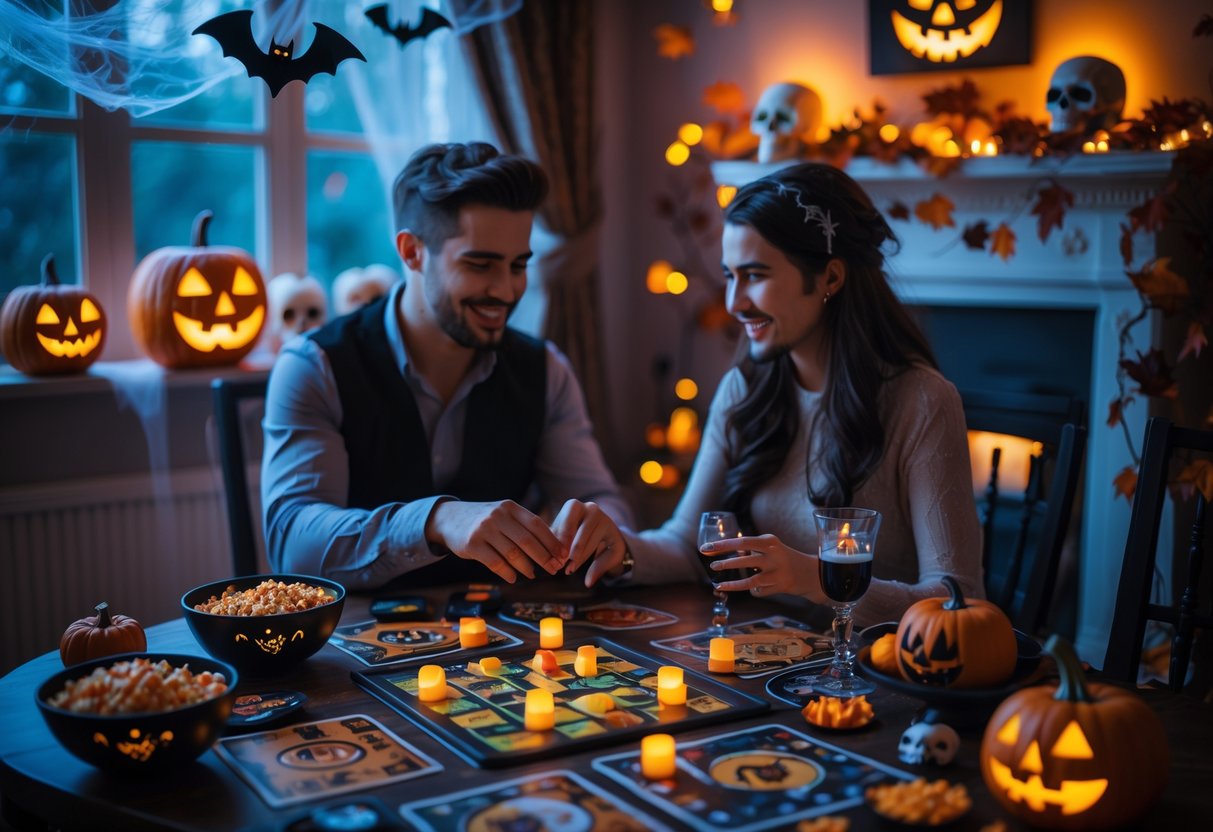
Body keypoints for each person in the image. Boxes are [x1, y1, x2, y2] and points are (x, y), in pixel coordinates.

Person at [605, 162, 983, 626]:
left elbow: (958, 599)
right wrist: (617, 548)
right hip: (765, 661)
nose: (734, 303)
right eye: (730, 276)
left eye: (756, 275)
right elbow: (687, 544)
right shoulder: (744, 390)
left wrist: (816, 578)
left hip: (875, 675)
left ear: (830, 278)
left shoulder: (922, 401)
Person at [262, 142, 634, 590]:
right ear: (412, 252)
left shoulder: (546, 369)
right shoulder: (313, 365)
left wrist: (601, 526)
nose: (505, 290)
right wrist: (436, 520)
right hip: (352, 643)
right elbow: (292, 546)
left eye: (518, 266)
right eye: (480, 265)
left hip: (503, 643)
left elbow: (602, 501)